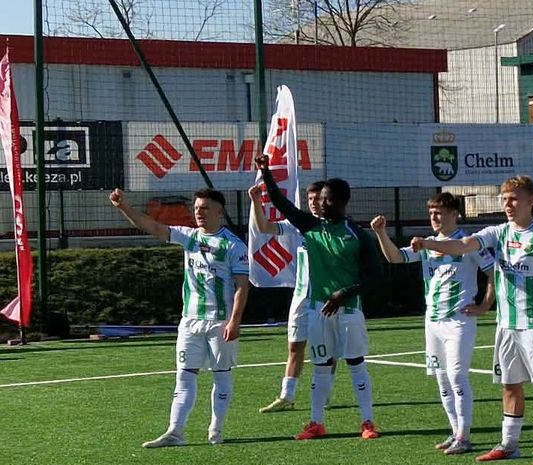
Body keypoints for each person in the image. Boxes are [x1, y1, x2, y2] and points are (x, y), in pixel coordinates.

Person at [416, 176, 533, 465]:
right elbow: (463, 245)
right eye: (505, 199)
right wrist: (427, 243)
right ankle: (509, 444)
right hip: (505, 326)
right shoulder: (498, 232)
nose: (508, 204)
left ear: (531, 202)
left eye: (514, 199)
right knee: (510, 384)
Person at [111, 186, 249, 448]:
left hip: (219, 321)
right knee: (184, 376)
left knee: (221, 375)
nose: (199, 213)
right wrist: (123, 206)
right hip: (190, 320)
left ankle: (216, 428)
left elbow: (242, 285)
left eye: (205, 208)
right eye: (196, 208)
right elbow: (152, 226)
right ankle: (175, 432)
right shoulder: (189, 237)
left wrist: (234, 320)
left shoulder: (233, 245)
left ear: (219, 212)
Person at [257, 158, 384, 440]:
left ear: (342, 202)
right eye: (320, 199)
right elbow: (281, 203)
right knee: (321, 366)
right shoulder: (310, 226)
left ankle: (367, 423)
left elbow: (376, 275)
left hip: (349, 310)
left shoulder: (358, 235)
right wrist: (266, 173)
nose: (321, 204)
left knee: (355, 363)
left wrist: (344, 293)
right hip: (318, 311)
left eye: (327, 199)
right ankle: (316, 423)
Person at [370, 194, 492, 455]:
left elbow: (493, 273)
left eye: (440, 212)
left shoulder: (468, 243)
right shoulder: (427, 244)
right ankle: (455, 431)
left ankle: (465, 436)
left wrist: (484, 305)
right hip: (433, 322)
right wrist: (381, 233)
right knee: (441, 379)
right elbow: (396, 258)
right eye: (431, 213)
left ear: (454, 214)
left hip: (459, 321)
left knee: (457, 376)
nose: (434, 217)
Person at [250, 180, 324, 413]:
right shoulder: (297, 223)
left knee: (325, 350)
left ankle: (325, 392)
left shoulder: (336, 226)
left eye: (318, 199)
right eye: (310, 199)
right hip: (301, 297)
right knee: (294, 346)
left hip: (326, 299)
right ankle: (286, 396)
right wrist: (256, 201)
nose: (313, 203)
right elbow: (264, 227)